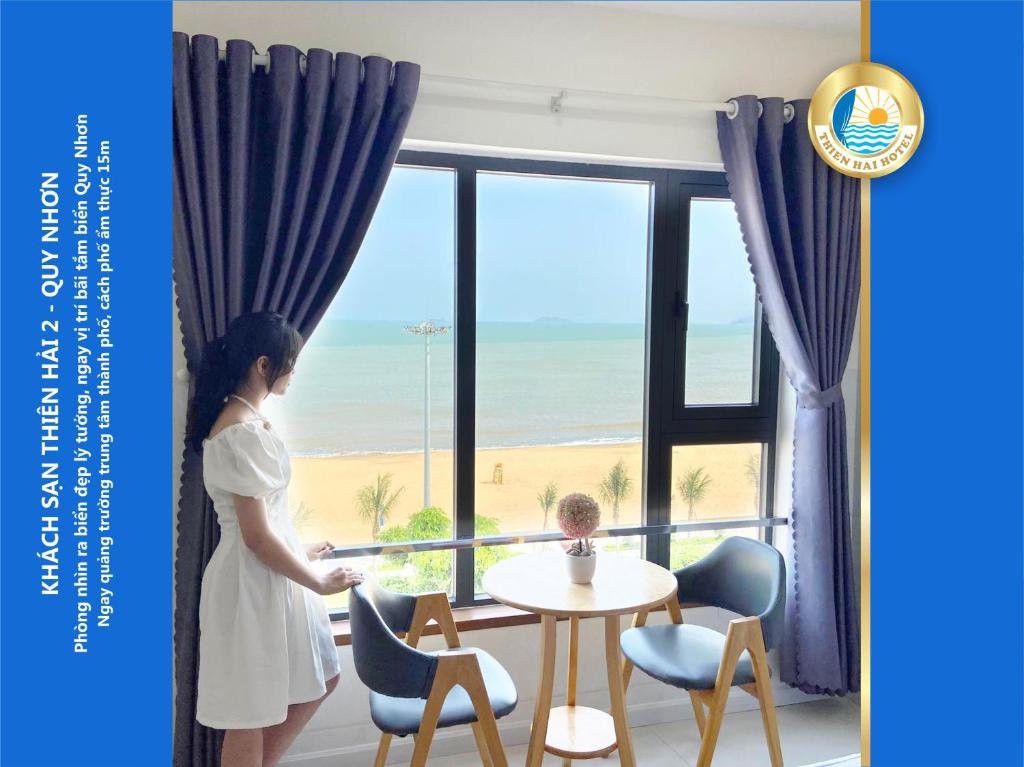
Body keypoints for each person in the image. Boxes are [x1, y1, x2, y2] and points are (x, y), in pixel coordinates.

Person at [185, 311, 364, 767]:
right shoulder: (240, 432)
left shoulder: (244, 423)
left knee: (317, 679)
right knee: (250, 711)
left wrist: (299, 550)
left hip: (263, 576)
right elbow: (255, 536)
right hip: (249, 585)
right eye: (290, 361)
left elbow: (262, 527)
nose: (294, 371)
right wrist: (318, 582)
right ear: (263, 365)